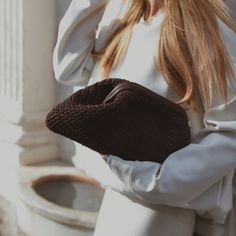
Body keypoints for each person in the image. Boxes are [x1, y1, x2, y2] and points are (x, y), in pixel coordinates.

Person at [53, 0, 236, 235]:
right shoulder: (123, 17)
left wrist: (154, 181)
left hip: (159, 210)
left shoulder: (201, 29)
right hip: (117, 197)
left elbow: (230, 132)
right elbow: (68, 68)